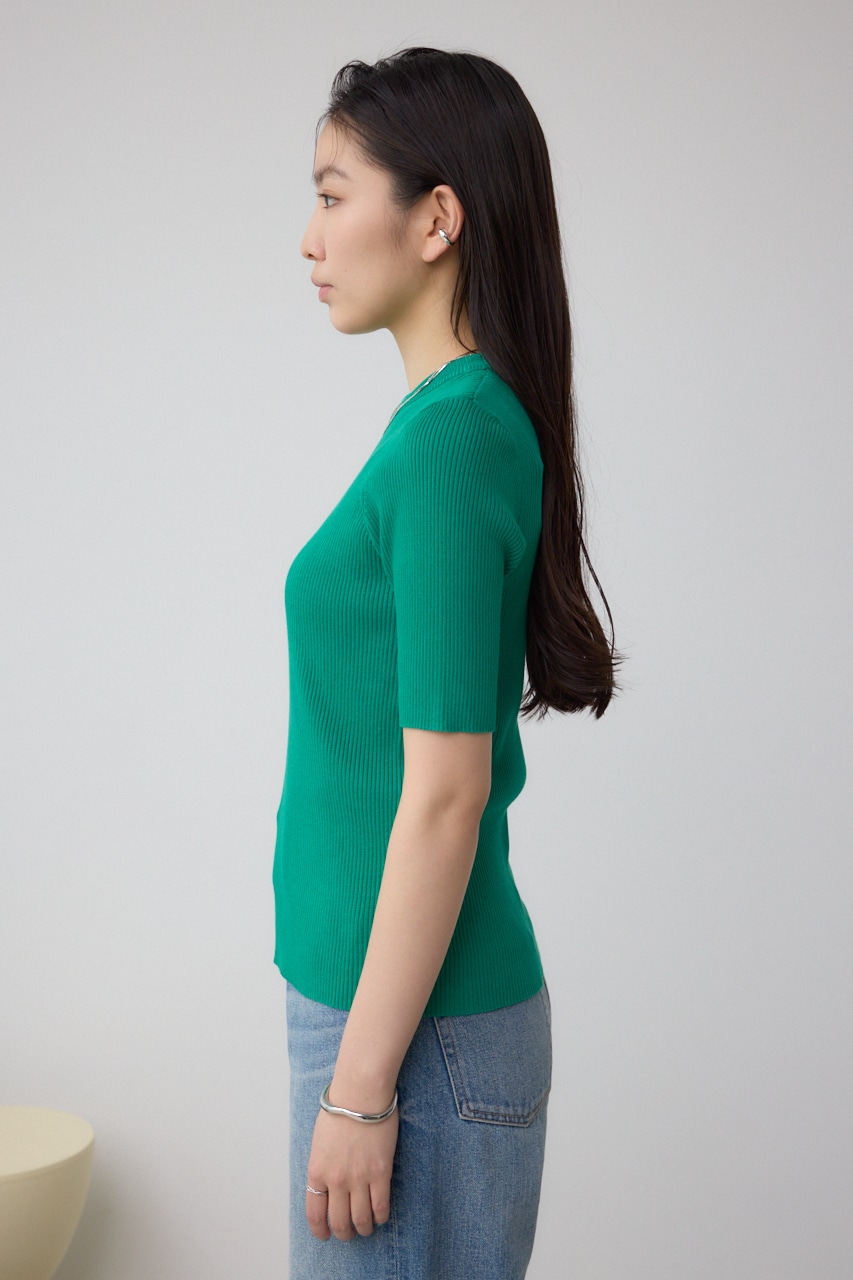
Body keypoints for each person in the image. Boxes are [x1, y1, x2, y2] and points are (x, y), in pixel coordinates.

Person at [273, 46, 620, 1280]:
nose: (309, 239)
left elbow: (445, 793)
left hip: (412, 1041)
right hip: (388, 1015)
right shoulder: (446, 424)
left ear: (435, 219)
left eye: (332, 195)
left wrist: (361, 1085)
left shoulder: (453, 438)